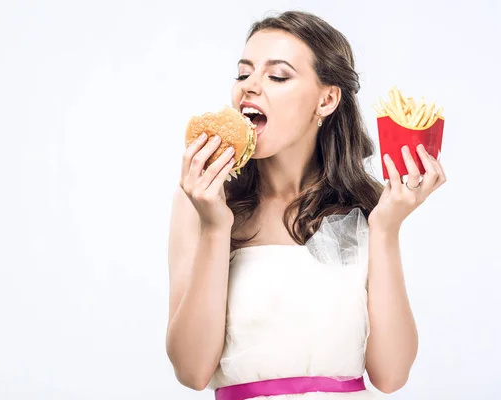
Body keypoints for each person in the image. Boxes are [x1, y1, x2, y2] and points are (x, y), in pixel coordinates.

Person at [166, 10, 447, 399]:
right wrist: (215, 228)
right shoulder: (201, 199)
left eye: (277, 76)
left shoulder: (369, 208)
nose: (250, 87)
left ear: (327, 99)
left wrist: (386, 229)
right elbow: (191, 370)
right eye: (243, 73)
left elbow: (392, 374)